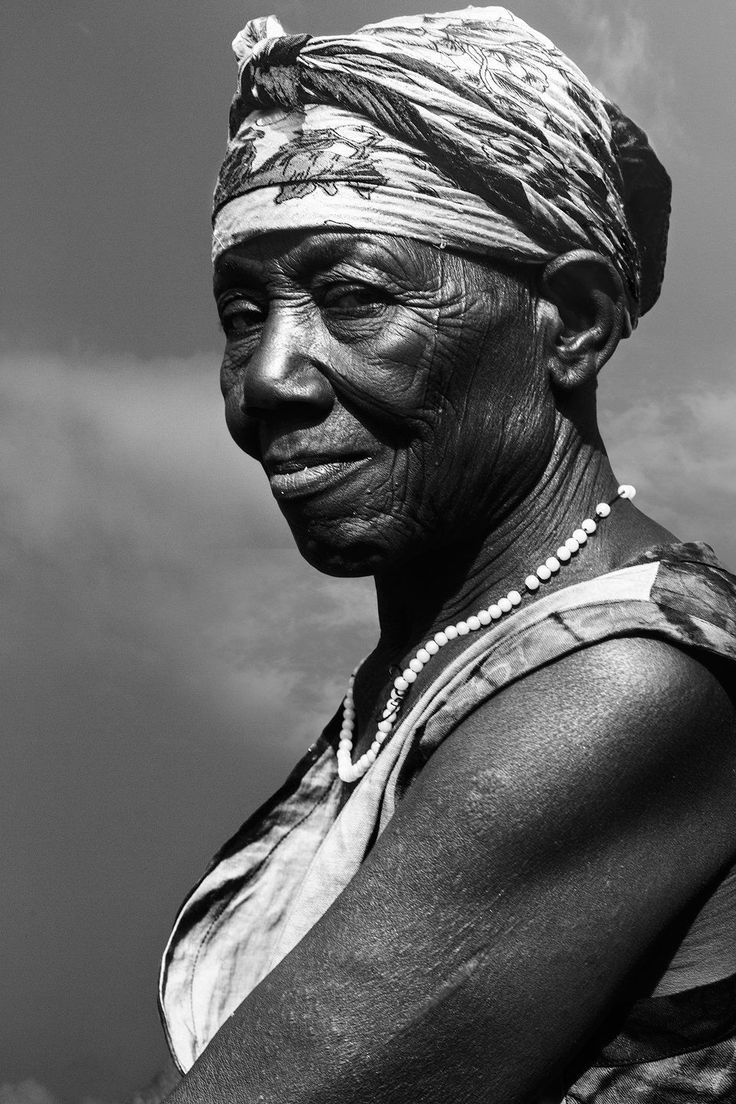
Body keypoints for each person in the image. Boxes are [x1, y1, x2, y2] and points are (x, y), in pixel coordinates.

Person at [158, 8, 736, 1102]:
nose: (269, 377)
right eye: (243, 312)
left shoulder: (632, 685)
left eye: (354, 296)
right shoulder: (433, 675)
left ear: (570, 319)